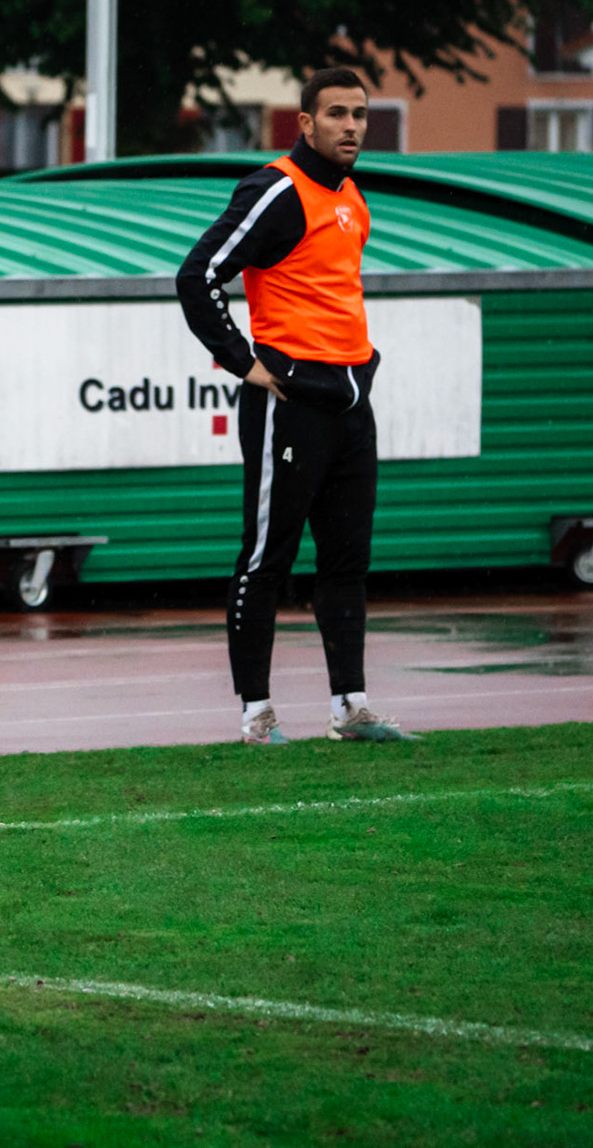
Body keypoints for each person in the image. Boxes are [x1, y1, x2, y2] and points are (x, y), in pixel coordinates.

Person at [175, 66, 415, 746]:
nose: (352, 126)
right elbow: (198, 275)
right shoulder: (277, 189)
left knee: (347, 561)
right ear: (305, 123)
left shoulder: (353, 198)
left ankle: (351, 707)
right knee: (266, 558)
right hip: (289, 403)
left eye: (361, 114)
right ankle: (256, 715)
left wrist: (360, 373)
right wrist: (243, 360)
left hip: (349, 406)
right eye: (337, 114)